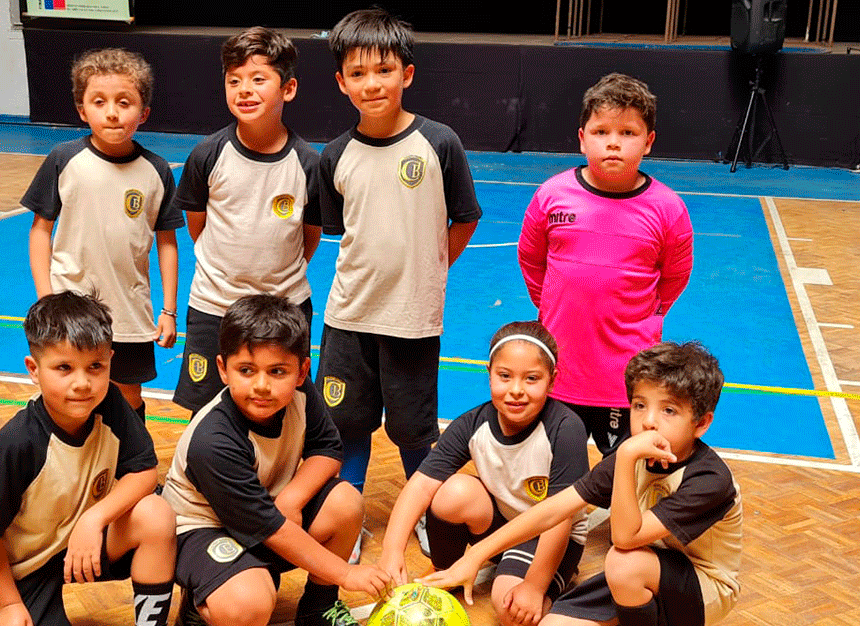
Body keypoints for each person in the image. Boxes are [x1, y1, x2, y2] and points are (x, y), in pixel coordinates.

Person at [420, 342, 742, 626]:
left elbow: (625, 538)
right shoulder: (631, 454)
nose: (648, 421)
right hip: (645, 569)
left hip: (701, 587)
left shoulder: (708, 480)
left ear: (701, 424)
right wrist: (474, 557)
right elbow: (553, 510)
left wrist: (627, 455)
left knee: (621, 560)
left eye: (668, 410)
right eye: (640, 405)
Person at [318, 7, 482, 560]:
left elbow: (464, 218)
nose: (372, 83)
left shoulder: (439, 143)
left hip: (412, 319)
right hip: (348, 319)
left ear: (406, 74)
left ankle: (427, 514)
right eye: (358, 74)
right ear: (341, 83)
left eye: (383, 70)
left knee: (414, 430)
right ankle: (348, 518)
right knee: (345, 428)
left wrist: (432, 270)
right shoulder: (335, 155)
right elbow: (343, 232)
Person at [161, 295, 391, 626]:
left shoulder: (301, 393)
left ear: (301, 372)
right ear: (223, 369)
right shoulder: (213, 441)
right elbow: (268, 527)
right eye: (246, 370)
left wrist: (292, 498)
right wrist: (345, 573)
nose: (262, 385)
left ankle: (319, 609)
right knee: (247, 604)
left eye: (278, 371)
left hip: (267, 513)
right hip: (202, 530)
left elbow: (327, 449)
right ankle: (202, 603)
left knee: (346, 503)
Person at [0, 291, 176, 626]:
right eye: (64, 367)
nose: (82, 383)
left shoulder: (111, 406)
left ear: (110, 360)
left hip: (82, 545)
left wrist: (93, 521)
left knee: (156, 513)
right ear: (33, 369)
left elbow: (145, 472)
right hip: (21, 571)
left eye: (95, 366)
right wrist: (7, 605)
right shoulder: (15, 443)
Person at [518, 73, 693, 456]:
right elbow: (531, 258)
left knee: (625, 471)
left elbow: (675, 275)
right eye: (601, 131)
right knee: (556, 467)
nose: (613, 142)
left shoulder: (668, 209)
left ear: (648, 142)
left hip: (626, 375)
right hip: (563, 367)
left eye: (628, 133)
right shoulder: (552, 195)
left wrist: (648, 315)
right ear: (582, 138)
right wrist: (549, 305)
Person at [378, 321, 590, 626]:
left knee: (509, 608)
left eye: (531, 379)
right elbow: (420, 486)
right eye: (505, 376)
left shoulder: (566, 429)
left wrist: (534, 587)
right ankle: (447, 570)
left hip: (552, 536)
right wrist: (392, 550)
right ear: (489, 372)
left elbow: (559, 518)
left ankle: (555, 584)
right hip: (500, 526)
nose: (516, 390)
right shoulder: (471, 424)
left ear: (552, 381)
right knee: (452, 492)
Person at [171, 27, 321, 418]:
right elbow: (197, 225)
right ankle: (207, 472)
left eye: (258, 79)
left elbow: (310, 235)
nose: (244, 90)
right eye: (234, 80)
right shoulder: (208, 154)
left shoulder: (307, 164)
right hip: (214, 305)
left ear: (288, 89)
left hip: (286, 306)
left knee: (285, 404)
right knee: (205, 410)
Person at [24, 48, 181, 421]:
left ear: (143, 113)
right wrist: (47, 299)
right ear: (82, 110)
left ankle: (132, 466)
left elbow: (167, 244)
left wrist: (169, 310)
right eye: (99, 101)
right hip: (69, 307)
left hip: (129, 312)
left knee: (128, 394)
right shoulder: (64, 160)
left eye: (124, 102)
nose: (112, 112)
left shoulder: (157, 171)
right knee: (70, 391)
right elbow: (40, 232)